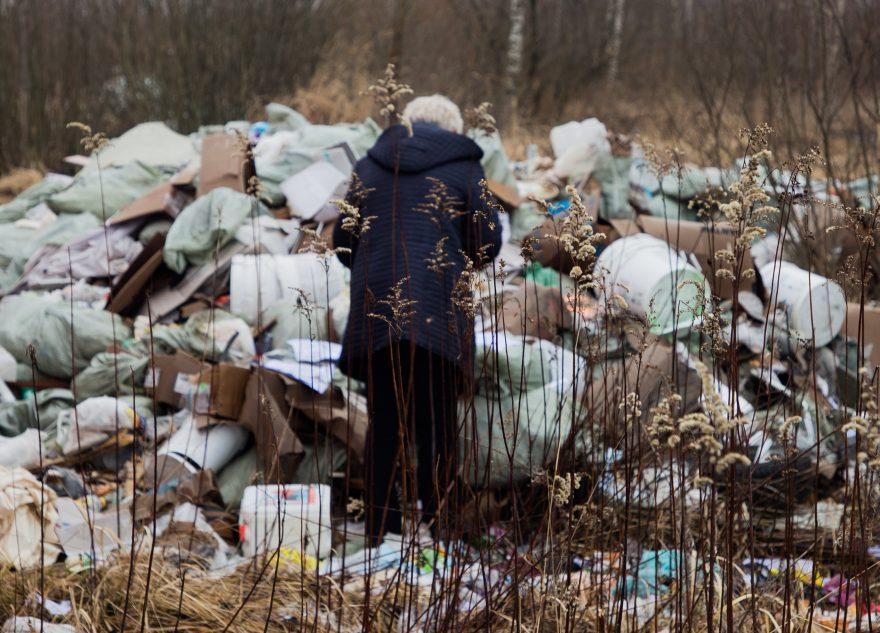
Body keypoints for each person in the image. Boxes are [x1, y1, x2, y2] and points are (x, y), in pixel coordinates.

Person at [333, 94, 502, 543]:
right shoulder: (465, 167)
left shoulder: (370, 165)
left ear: (406, 124)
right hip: (437, 315)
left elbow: (342, 241)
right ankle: (441, 528)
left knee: (384, 424)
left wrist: (377, 266)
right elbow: (487, 243)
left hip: (378, 314)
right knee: (438, 425)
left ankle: (378, 533)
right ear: (453, 129)